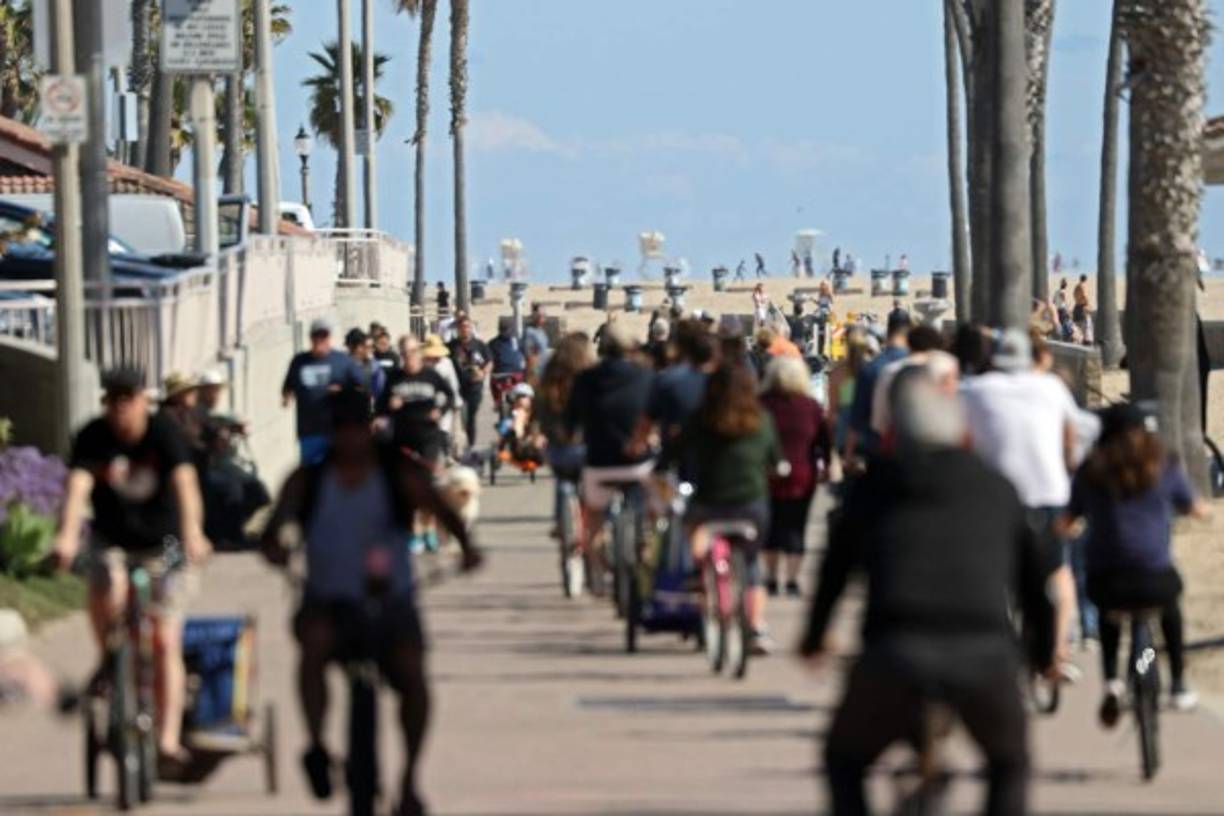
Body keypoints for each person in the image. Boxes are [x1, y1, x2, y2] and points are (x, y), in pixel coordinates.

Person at [802, 372, 1062, 816]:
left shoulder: (874, 489)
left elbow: (835, 572)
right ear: (961, 431)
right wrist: (1042, 654)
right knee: (1009, 761)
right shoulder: (995, 488)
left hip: (894, 650)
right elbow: (1035, 584)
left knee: (843, 759)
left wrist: (813, 638)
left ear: (895, 432)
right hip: (984, 653)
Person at [260, 388, 481, 816]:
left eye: (356, 428)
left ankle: (409, 779)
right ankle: (318, 746)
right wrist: (276, 550)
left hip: (391, 603)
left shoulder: (397, 473)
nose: (349, 439)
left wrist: (467, 547)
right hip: (329, 602)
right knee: (313, 648)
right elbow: (274, 530)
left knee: (413, 676)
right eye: (340, 429)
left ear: (370, 427)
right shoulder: (308, 480)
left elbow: (439, 507)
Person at [51, 368, 212, 774]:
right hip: (114, 540)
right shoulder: (93, 435)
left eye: (129, 399)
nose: (121, 408)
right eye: (113, 400)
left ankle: (168, 739)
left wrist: (193, 532)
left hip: (167, 543)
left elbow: (185, 483)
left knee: (164, 640)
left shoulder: (163, 432)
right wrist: (67, 535)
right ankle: (110, 658)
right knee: (105, 582)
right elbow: (78, 487)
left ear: (144, 400)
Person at [1061, 404, 1208, 719]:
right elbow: (1195, 508)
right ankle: (1179, 684)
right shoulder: (1162, 465)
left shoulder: (1092, 470)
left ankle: (1112, 682)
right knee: (1169, 606)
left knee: (1108, 612)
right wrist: (1197, 511)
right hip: (1154, 577)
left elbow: (1067, 521)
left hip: (1107, 582)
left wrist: (1073, 525)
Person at [962, 329, 1079, 658]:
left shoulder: (974, 389)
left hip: (996, 498)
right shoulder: (1052, 387)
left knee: (995, 570)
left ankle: (998, 640)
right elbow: (1071, 436)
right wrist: (1067, 468)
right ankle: (1058, 650)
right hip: (1049, 493)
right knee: (1059, 572)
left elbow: (962, 440)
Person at [671, 362, 781, 654]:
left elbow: (676, 452)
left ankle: (699, 576)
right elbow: (776, 459)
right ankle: (756, 626)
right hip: (751, 505)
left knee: (693, 531)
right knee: (752, 561)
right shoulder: (763, 419)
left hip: (709, 504)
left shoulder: (700, 419)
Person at [566, 321, 655, 534]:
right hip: (637, 463)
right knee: (654, 505)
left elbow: (572, 419)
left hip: (598, 462)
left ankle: (596, 563)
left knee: (594, 514)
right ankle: (647, 544)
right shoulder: (645, 376)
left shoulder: (585, 379)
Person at [760, 356, 830, 597]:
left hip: (767, 472)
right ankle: (791, 580)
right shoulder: (811, 406)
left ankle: (770, 577)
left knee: (771, 525)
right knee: (796, 526)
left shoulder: (762, 404)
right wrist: (828, 466)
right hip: (803, 473)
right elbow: (824, 441)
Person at [282, 318, 365, 464]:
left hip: (337, 432)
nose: (320, 340)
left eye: (324, 335)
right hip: (309, 432)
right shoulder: (299, 361)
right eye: (316, 336)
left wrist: (343, 392)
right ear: (310, 338)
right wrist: (287, 397)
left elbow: (363, 387)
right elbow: (288, 387)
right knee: (312, 478)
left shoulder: (342, 361)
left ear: (329, 337)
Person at [536, 333, 595, 521]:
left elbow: (541, 416)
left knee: (563, 477)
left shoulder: (548, 382)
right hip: (587, 449)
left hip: (556, 450)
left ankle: (560, 520)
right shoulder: (589, 380)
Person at [843, 309, 910, 468]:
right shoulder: (917, 365)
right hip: (911, 451)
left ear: (888, 330)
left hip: (877, 449)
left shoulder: (871, 368)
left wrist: (848, 454)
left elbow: (857, 417)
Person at [379, 334, 456, 468]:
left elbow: (450, 395)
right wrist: (389, 406)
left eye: (413, 351)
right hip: (403, 437)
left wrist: (440, 411)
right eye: (405, 352)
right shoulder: (394, 377)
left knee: (426, 478)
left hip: (428, 435)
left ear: (419, 352)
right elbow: (381, 405)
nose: (409, 356)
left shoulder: (431, 375)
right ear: (401, 355)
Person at [447, 316, 492, 448]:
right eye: (462, 327)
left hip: (474, 388)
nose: (465, 329)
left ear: (471, 327)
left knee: (470, 418)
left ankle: (470, 445)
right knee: (460, 417)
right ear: (458, 329)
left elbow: (489, 361)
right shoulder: (451, 346)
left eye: (467, 326)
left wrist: (483, 373)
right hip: (457, 387)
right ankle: (461, 443)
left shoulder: (479, 345)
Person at [421, 334, 463, 457]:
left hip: (445, 402)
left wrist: (456, 403)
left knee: (444, 430)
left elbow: (453, 383)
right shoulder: (420, 364)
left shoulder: (446, 363)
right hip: (426, 404)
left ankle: (447, 454)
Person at [346, 327, 386, 403]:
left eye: (371, 347)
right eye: (367, 347)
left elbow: (378, 388)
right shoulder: (343, 363)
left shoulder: (374, 366)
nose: (370, 350)